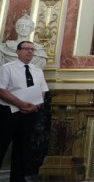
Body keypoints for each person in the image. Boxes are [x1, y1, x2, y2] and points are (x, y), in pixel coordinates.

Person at [0, 41, 49, 182]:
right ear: (18, 52)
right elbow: (1, 90)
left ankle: (17, 179)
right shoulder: (7, 68)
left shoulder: (37, 70)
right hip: (8, 113)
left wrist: (36, 106)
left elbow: (43, 91)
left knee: (22, 150)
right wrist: (21, 104)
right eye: (26, 49)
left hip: (30, 114)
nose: (30, 52)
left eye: (32, 50)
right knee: (2, 145)